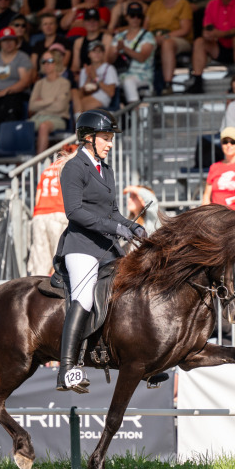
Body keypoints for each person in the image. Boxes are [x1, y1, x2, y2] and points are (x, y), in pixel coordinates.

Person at [53, 109, 146, 392]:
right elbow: (75, 212)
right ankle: (67, 368)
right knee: (84, 295)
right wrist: (114, 228)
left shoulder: (106, 170)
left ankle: (146, 362)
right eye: (106, 138)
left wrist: (132, 226)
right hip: (81, 245)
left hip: (106, 248)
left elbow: (113, 211)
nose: (110, 143)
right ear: (89, 138)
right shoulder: (74, 167)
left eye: (110, 138)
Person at [28, 143, 77, 276]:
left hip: (40, 215)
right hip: (58, 214)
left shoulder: (48, 169)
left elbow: (37, 198)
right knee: (61, 259)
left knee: (40, 263)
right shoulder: (72, 166)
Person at [188, 0, 235, 95]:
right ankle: (198, 82)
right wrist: (208, 33)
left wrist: (221, 34)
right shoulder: (212, 4)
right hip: (220, 47)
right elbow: (208, 27)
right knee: (199, 42)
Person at [0, 26, 34, 127]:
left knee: (8, 105)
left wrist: (5, 91)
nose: (8, 43)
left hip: (14, 93)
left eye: (11, 40)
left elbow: (25, 81)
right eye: (5, 41)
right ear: (0, 43)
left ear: (16, 42)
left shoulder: (22, 57)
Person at [108, 2, 155, 104]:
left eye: (138, 16)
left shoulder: (148, 36)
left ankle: (135, 115)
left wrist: (125, 49)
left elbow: (142, 57)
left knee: (128, 81)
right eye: (132, 15)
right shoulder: (119, 37)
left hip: (142, 76)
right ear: (127, 17)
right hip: (120, 74)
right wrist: (116, 51)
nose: (135, 19)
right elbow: (109, 60)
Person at [145, 0, 192, 96]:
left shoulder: (183, 3)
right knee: (144, 44)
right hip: (154, 39)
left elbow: (185, 30)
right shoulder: (154, 5)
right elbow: (145, 28)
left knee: (167, 44)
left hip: (178, 38)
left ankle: (167, 84)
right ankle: (145, 83)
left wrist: (164, 37)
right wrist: (151, 39)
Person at [29, 49, 71, 153]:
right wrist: (52, 99)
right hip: (38, 117)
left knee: (44, 126)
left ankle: (39, 162)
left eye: (50, 61)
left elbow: (59, 107)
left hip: (58, 118)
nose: (46, 64)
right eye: (44, 61)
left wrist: (41, 102)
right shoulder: (39, 83)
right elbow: (31, 106)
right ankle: (21, 166)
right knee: (22, 128)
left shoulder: (64, 83)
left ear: (57, 62)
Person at [72, 40, 118, 116]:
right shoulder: (85, 70)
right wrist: (88, 78)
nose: (97, 54)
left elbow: (111, 92)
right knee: (74, 94)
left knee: (80, 106)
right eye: (94, 51)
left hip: (102, 98)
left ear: (103, 54)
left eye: (99, 51)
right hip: (87, 97)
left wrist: (96, 78)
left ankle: (79, 124)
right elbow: (82, 93)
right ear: (89, 54)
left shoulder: (109, 68)